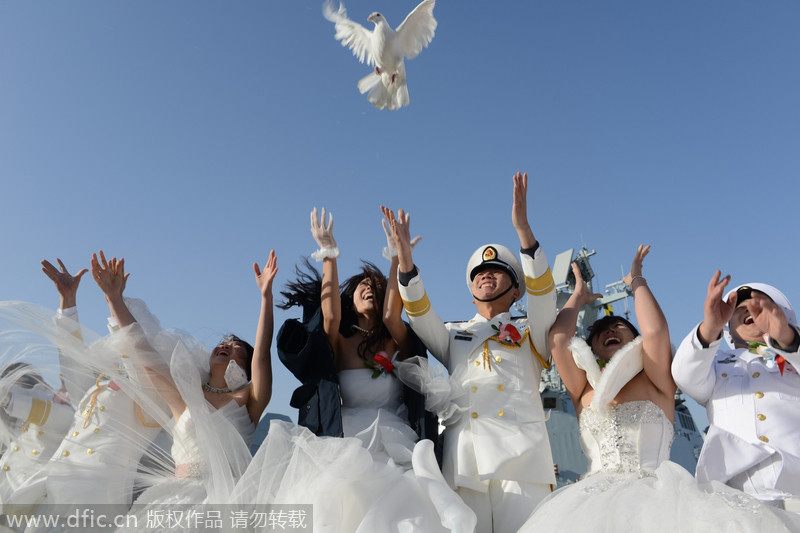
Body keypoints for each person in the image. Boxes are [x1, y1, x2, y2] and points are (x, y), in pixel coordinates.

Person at [518, 249, 800, 532]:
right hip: (588, 500)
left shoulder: (656, 382)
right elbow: (558, 340)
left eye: (619, 325)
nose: (610, 329)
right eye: (601, 330)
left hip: (658, 496)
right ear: (591, 348)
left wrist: (637, 281)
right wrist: (577, 296)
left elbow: (654, 332)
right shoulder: (583, 390)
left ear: (636, 341)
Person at [233, 210, 476, 533]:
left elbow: (392, 314)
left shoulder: (394, 341)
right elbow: (329, 317)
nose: (370, 289)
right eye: (363, 284)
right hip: (345, 443)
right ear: (351, 295)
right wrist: (329, 254)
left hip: (394, 442)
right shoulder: (341, 342)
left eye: (376, 286)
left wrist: (396, 256)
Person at [388, 172, 557, 533]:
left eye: (497, 271)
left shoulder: (532, 332)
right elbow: (418, 313)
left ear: (515, 291)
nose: (486, 275)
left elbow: (544, 294)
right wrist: (405, 263)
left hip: (522, 464)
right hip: (466, 462)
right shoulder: (454, 336)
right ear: (471, 292)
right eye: (480, 273)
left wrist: (524, 230)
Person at [89, 249, 277, 509]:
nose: (226, 346)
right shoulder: (184, 394)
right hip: (179, 501)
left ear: (245, 366)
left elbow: (263, 355)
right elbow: (143, 350)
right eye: (223, 343)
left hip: (233, 500)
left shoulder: (250, 398)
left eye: (236, 348)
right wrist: (114, 299)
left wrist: (265, 296)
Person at [672, 274, 800, 511]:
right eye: (738, 309)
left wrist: (786, 338)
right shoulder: (716, 364)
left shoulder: (795, 356)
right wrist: (709, 328)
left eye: (760, 304)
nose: (749, 310)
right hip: (740, 502)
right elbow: (684, 375)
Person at [0, 362, 73, 513]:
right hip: (7, 489)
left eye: (12, 383)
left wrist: (8, 398)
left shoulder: (53, 404)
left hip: (32, 498)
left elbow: (56, 416)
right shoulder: (19, 408)